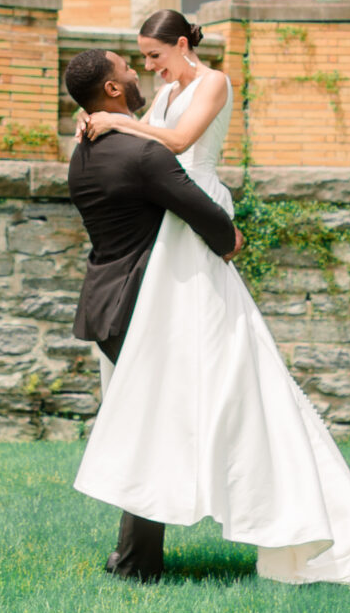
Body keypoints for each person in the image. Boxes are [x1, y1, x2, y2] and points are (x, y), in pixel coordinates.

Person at [72, 8, 350, 592]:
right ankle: (153, 540)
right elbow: (144, 137)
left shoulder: (212, 81)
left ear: (179, 44)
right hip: (172, 233)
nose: (150, 66)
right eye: (139, 60)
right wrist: (99, 121)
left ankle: (269, 518)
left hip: (195, 215)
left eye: (155, 55)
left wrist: (112, 122)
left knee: (223, 376)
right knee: (175, 395)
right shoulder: (165, 90)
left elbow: (173, 143)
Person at [62, 42, 241, 581]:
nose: (138, 74)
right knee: (155, 431)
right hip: (144, 305)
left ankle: (134, 560)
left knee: (147, 428)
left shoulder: (84, 151)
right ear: (113, 89)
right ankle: (137, 563)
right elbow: (207, 218)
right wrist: (231, 238)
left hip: (104, 304)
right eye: (126, 69)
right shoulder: (143, 155)